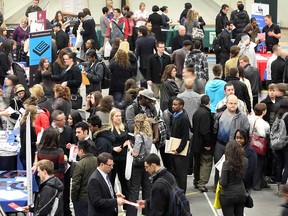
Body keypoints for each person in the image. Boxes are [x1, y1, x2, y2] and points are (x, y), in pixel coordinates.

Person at [214, 94, 249, 189]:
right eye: (231, 103)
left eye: (235, 103)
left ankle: (231, 185)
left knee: (233, 166)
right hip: (220, 144)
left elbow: (245, 131)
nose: (233, 105)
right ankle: (217, 186)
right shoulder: (219, 114)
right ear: (226, 103)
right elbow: (214, 128)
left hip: (234, 146)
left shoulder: (242, 117)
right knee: (218, 165)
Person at [126, 113, 153, 216]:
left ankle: (132, 213)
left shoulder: (139, 136)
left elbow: (135, 153)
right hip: (147, 163)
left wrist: (129, 146)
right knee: (147, 188)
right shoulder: (149, 134)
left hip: (138, 165)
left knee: (134, 190)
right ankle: (147, 212)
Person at [192, 95, 214, 192]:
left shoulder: (197, 112)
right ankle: (202, 184)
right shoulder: (206, 114)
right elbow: (205, 131)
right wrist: (208, 144)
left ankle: (196, 181)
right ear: (208, 102)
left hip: (195, 143)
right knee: (206, 162)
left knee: (197, 163)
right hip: (203, 144)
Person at [219, 141, 248, 216]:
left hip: (228, 195)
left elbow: (223, 182)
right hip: (241, 193)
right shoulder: (245, 161)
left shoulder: (226, 163)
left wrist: (220, 176)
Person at [109, 108, 130, 206]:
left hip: (124, 157)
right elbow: (107, 143)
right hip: (113, 158)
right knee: (111, 180)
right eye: (116, 116)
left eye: (120, 116)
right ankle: (112, 202)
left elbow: (130, 138)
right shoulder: (109, 129)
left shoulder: (124, 127)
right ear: (112, 118)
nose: (119, 118)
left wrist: (128, 143)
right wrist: (113, 148)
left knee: (124, 181)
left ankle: (127, 203)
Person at [72, 140, 98, 216]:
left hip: (82, 199)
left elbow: (75, 184)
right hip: (95, 197)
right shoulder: (97, 161)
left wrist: (73, 199)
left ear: (81, 151)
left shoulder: (80, 164)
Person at [170, 97, 190, 193]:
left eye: (175, 105)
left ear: (181, 106)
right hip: (174, 149)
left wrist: (179, 149)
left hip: (180, 152)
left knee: (181, 174)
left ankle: (182, 192)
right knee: (176, 173)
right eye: (173, 104)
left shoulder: (184, 119)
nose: (173, 106)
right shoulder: (174, 116)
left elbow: (185, 136)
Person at [248, 103, 270, 190]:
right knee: (259, 165)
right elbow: (262, 134)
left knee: (257, 164)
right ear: (263, 111)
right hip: (260, 145)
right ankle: (256, 184)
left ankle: (262, 182)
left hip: (253, 144)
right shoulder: (260, 122)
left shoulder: (252, 119)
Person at [274, 100, 288, 190]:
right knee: (287, 165)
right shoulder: (287, 116)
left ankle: (278, 185)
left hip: (277, 143)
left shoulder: (278, 115)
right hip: (286, 143)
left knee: (279, 164)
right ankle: (283, 185)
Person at [20, 105, 38, 169]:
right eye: (36, 114)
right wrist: (36, 143)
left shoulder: (27, 124)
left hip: (28, 153)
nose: (37, 115)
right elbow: (26, 143)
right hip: (27, 154)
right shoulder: (27, 126)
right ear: (32, 115)